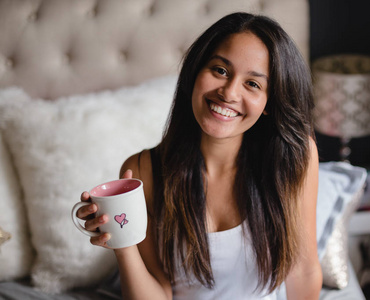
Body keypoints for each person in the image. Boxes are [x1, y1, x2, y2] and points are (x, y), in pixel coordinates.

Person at [76, 12, 322, 299]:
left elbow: (304, 271)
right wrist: (122, 242)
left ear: (269, 102)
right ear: (196, 72)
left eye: (253, 84)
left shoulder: (294, 157)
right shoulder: (144, 170)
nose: (229, 92)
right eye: (220, 70)